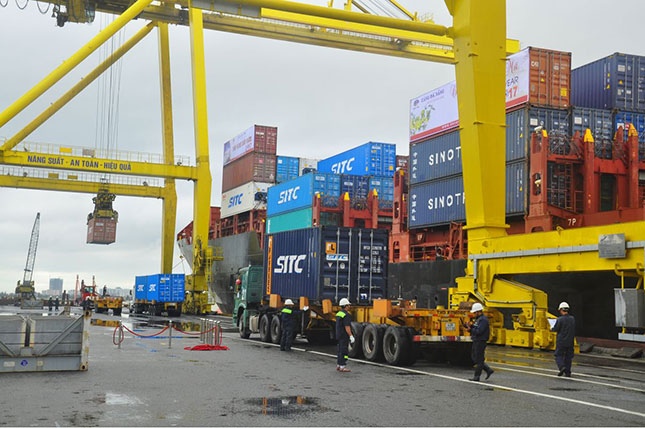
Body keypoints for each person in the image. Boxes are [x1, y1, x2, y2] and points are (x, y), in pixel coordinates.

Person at [466, 302, 494, 382]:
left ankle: (477, 376)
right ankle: (488, 370)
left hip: (481, 341)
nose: (473, 314)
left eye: (474, 313)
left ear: (478, 312)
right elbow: (476, 328)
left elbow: (479, 331)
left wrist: (471, 329)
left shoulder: (483, 320)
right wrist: (470, 326)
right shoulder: (479, 319)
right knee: (474, 358)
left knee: (479, 359)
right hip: (477, 340)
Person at [552, 301, 576, 377]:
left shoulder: (560, 319)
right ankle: (568, 372)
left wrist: (552, 328)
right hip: (570, 341)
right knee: (568, 357)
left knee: (558, 355)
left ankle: (562, 367)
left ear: (561, 310)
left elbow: (555, 329)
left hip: (561, 341)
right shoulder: (572, 319)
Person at [335, 298, 355, 373]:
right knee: (344, 351)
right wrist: (351, 335)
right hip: (344, 335)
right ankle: (343, 366)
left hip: (339, 334)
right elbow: (347, 326)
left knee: (340, 350)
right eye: (348, 305)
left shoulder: (339, 313)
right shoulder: (346, 315)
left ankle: (338, 365)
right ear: (345, 306)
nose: (349, 306)